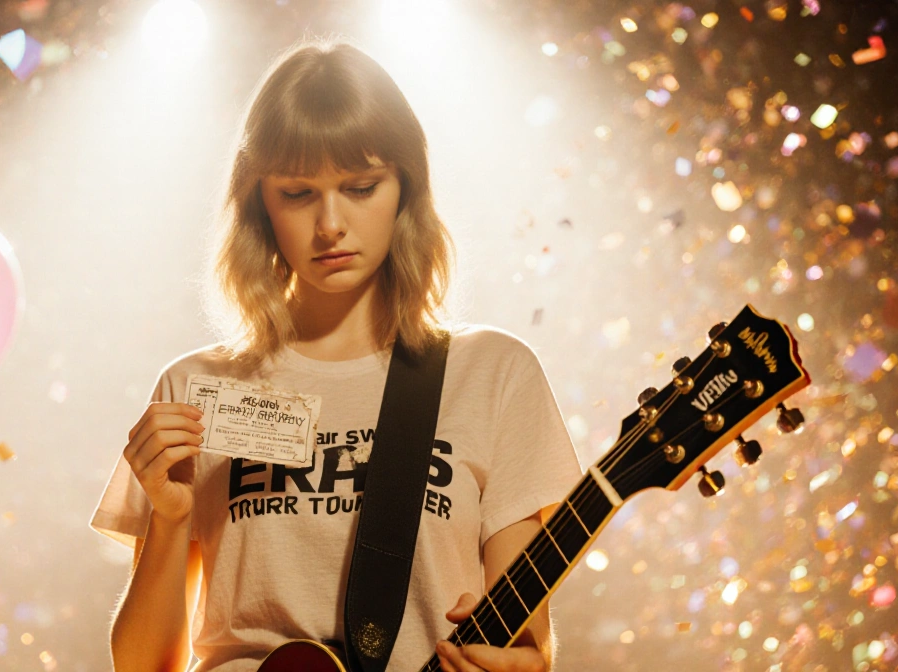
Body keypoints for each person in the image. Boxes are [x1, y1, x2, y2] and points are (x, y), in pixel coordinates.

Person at [91, 37, 584, 672]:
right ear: (259, 201)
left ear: (406, 188)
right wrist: (170, 516)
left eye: (360, 186)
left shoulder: (492, 374)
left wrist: (526, 667)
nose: (330, 224)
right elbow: (140, 667)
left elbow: (526, 646)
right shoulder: (193, 386)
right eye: (298, 193)